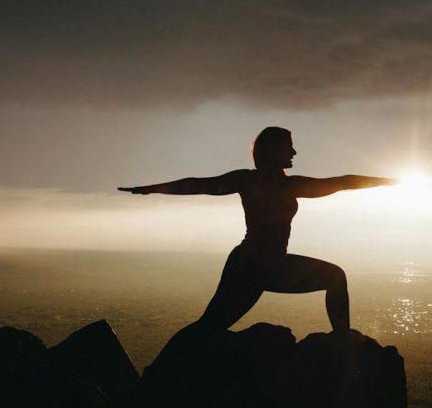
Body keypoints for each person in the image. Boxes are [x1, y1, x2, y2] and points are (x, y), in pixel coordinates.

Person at [119, 126, 394, 345]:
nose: (294, 152)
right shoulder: (267, 183)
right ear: (272, 150)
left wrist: (151, 188)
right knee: (210, 325)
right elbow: (199, 185)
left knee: (209, 324)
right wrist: (152, 188)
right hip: (252, 268)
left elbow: (342, 182)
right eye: (288, 146)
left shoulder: (270, 182)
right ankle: (342, 342)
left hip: (260, 263)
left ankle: (341, 342)